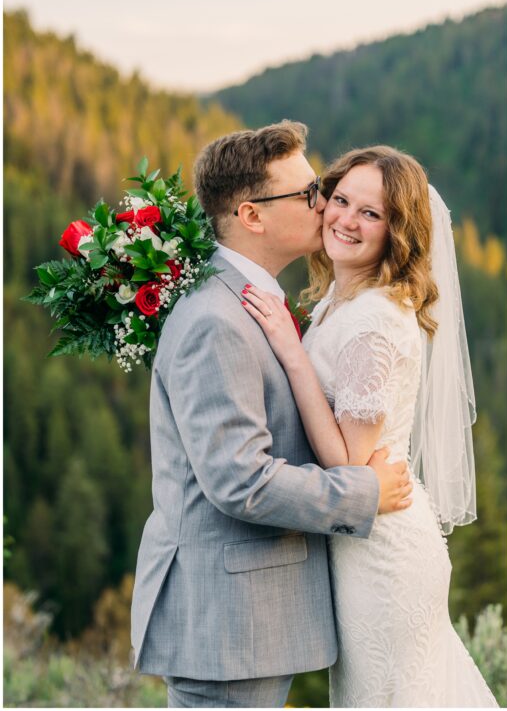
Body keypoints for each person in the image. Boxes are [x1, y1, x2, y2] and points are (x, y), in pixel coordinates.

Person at [130, 122, 414, 708]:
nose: (325, 206)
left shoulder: (250, 303)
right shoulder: (216, 319)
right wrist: (362, 492)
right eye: (310, 193)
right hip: (229, 623)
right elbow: (242, 481)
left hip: (249, 622)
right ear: (252, 215)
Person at [239, 145, 497, 707]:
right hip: (358, 542)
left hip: (383, 553)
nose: (346, 220)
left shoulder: (376, 323)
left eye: (371, 213)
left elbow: (351, 466)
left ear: (396, 232)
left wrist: (291, 351)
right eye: (340, 200)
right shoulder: (342, 298)